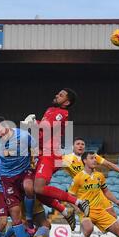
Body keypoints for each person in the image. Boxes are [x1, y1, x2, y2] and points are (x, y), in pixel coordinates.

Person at [61, 137, 119, 237]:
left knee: (112, 213)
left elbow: (109, 164)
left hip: (97, 191)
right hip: (83, 193)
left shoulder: (93, 156)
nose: (80, 146)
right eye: (78, 144)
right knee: (86, 226)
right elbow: (53, 167)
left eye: (82, 144)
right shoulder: (67, 159)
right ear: (73, 147)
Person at [22, 89, 90, 229]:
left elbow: (48, 128)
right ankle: (65, 212)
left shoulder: (63, 113)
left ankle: (78, 202)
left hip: (51, 155)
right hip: (42, 154)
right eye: (58, 94)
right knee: (37, 191)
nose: (56, 95)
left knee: (38, 188)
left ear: (67, 102)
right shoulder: (50, 110)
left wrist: (33, 122)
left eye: (61, 95)